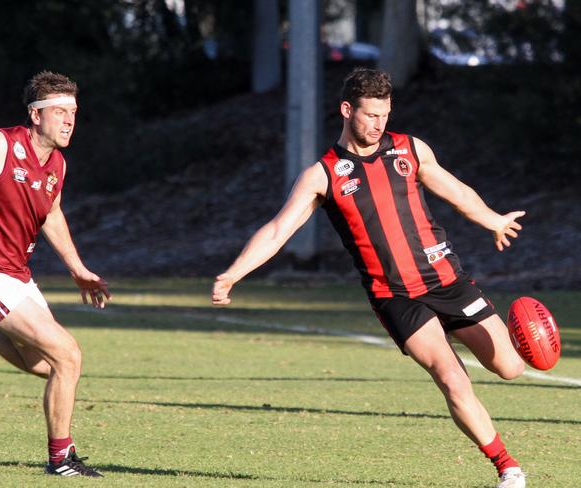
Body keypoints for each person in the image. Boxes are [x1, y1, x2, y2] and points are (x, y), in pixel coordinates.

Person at [212, 68, 527, 488]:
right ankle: (509, 468)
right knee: (452, 378)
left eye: (385, 114)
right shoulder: (323, 174)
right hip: (395, 296)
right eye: (370, 115)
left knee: (510, 367)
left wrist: (493, 220)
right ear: (347, 110)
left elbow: (456, 190)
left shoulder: (410, 149)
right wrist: (234, 274)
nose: (379, 124)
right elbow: (276, 231)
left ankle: (480, 343)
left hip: (448, 280)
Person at [0, 71, 110, 477]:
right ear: (35, 114)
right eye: (60, 111)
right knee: (68, 355)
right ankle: (61, 459)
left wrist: (78, 269)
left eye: (74, 112)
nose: (69, 120)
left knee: (43, 366)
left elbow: (52, 214)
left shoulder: (57, 164)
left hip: (16, 274)